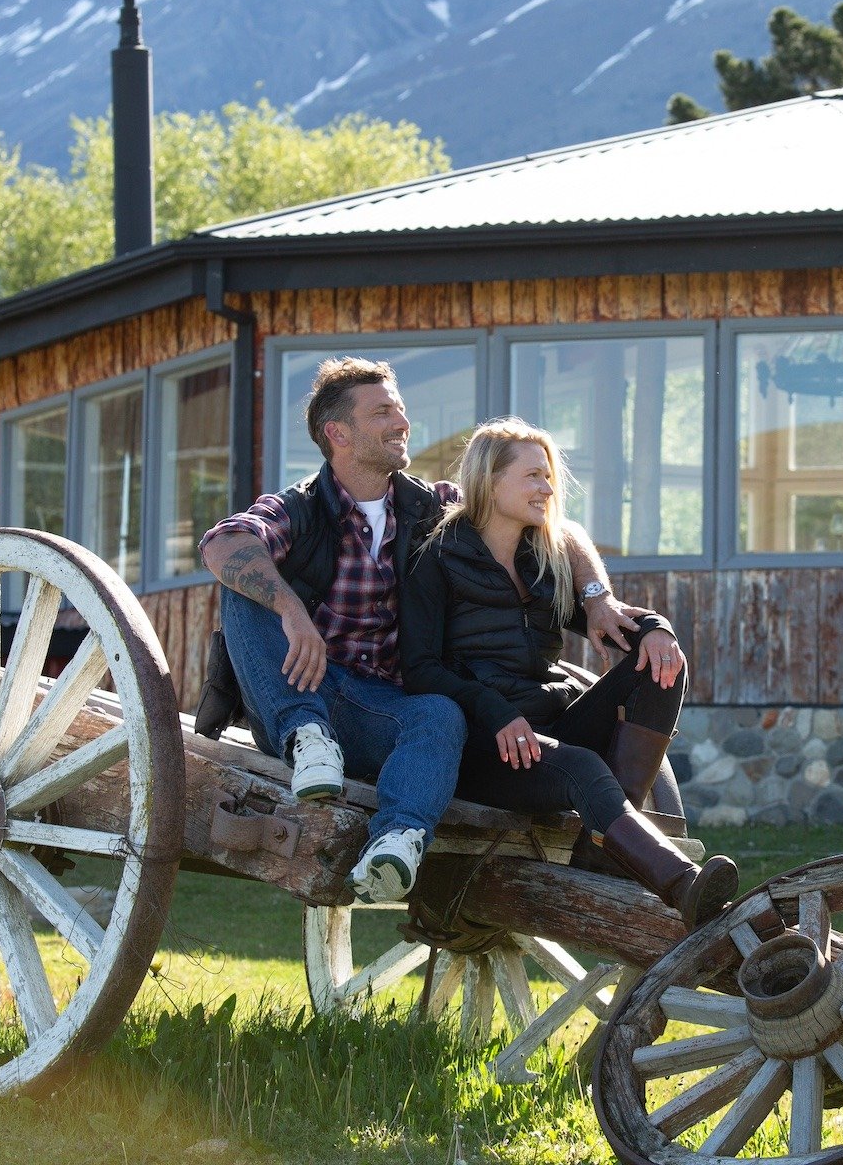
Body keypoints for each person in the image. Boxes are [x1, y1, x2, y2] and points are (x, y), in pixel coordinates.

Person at [198, 359, 643, 904]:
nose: (401, 421)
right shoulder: (299, 508)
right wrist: (290, 608)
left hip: (379, 708)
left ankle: (398, 843)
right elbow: (222, 543)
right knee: (245, 581)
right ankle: (305, 738)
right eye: (383, 412)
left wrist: (597, 599)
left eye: (401, 409)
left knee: (439, 712)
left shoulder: (431, 506)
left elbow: (556, 526)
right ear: (338, 433)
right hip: (294, 691)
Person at [400, 418, 739, 929]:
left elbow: (613, 623)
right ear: (491, 481)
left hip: (548, 726)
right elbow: (419, 670)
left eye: (550, 476)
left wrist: (657, 629)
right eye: (534, 475)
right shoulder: (435, 558)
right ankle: (680, 883)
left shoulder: (543, 562)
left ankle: (601, 844)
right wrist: (494, 713)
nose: (548, 488)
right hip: (482, 745)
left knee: (661, 668)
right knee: (581, 767)